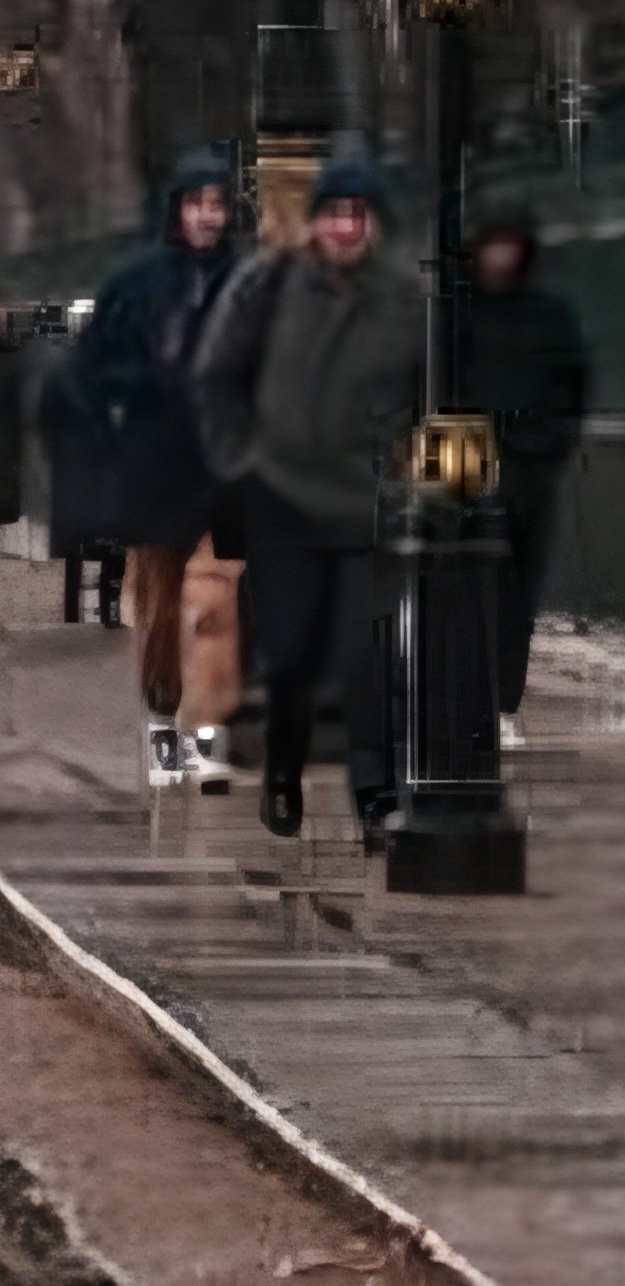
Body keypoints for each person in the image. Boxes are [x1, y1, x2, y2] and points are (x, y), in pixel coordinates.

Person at [195, 149, 425, 839]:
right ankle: (284, 773)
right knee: (291, 654)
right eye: (333, 214)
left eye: (359, 215)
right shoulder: (267, 285)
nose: (346, 228)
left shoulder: (404, 302)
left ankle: (375, 797)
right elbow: (218, 374)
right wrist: (240, 460)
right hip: (283, 500)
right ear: (314, 223)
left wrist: (402, 463)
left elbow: (426, 392)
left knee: (367, 655)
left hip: (364, 501)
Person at [45, 147, 240, 713]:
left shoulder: (241, 279)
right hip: (159, 461)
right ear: (176, 209)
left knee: (218, 591)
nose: (208, 215)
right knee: (161, 589)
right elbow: (95, 368)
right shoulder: (137, 283)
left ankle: (210, 712)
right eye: (197, 203)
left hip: (225, 460)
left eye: (217, 204)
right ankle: (166, 710)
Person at [459, 209, 590, 726]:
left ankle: (500, 698)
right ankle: (477, 695)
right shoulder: (457, 314)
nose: (501, 256)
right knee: (473, 587)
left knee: (518, 590)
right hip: (471, 470)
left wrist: (545, 444)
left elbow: (571, 390)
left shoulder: (547, 316)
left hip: (528, 472)